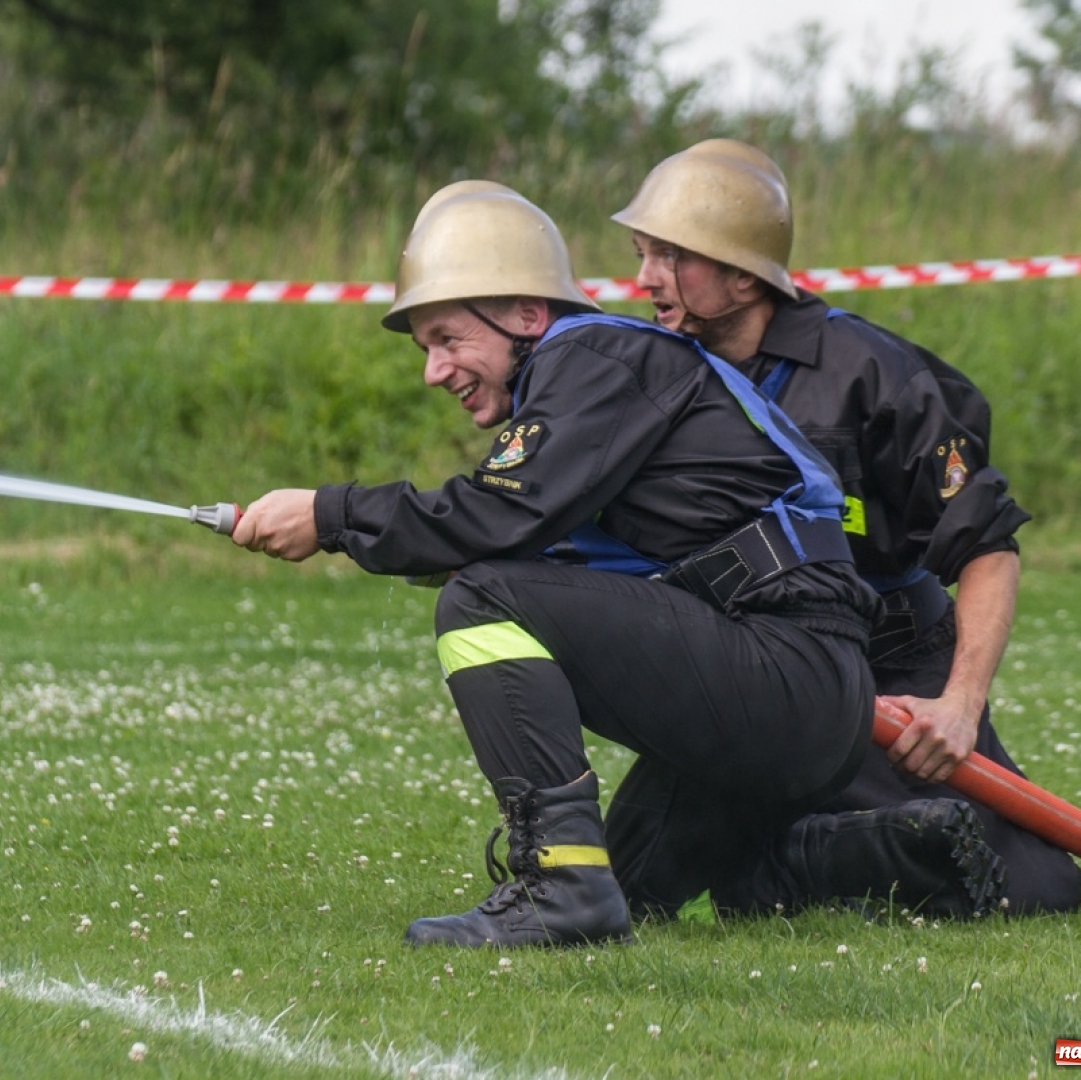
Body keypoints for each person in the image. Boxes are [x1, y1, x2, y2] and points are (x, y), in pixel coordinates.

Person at [231, 184, 882, 946]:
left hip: (788, 676)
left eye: (447, 338)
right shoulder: (599, 375)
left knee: (482, 601)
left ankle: (558, 883)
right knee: (630, 892)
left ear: (527, 315)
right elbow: (525, 534)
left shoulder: (591, 354)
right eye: (425, 350)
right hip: (796, 694)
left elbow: (500, 514)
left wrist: (329, 514)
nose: (434, 373)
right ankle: (881, 850)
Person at [610, 139, 1081, 917]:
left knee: (1036, 884)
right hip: (756, 672)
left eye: (670, 256)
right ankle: (787, 850)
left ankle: (781, 867)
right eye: (641, 254)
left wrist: (958, 707)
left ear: (743, 273)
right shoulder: (653, 372)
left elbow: (988, 547)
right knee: (625, 893)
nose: (645, 279)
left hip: (893, 663)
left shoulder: (872, 373)